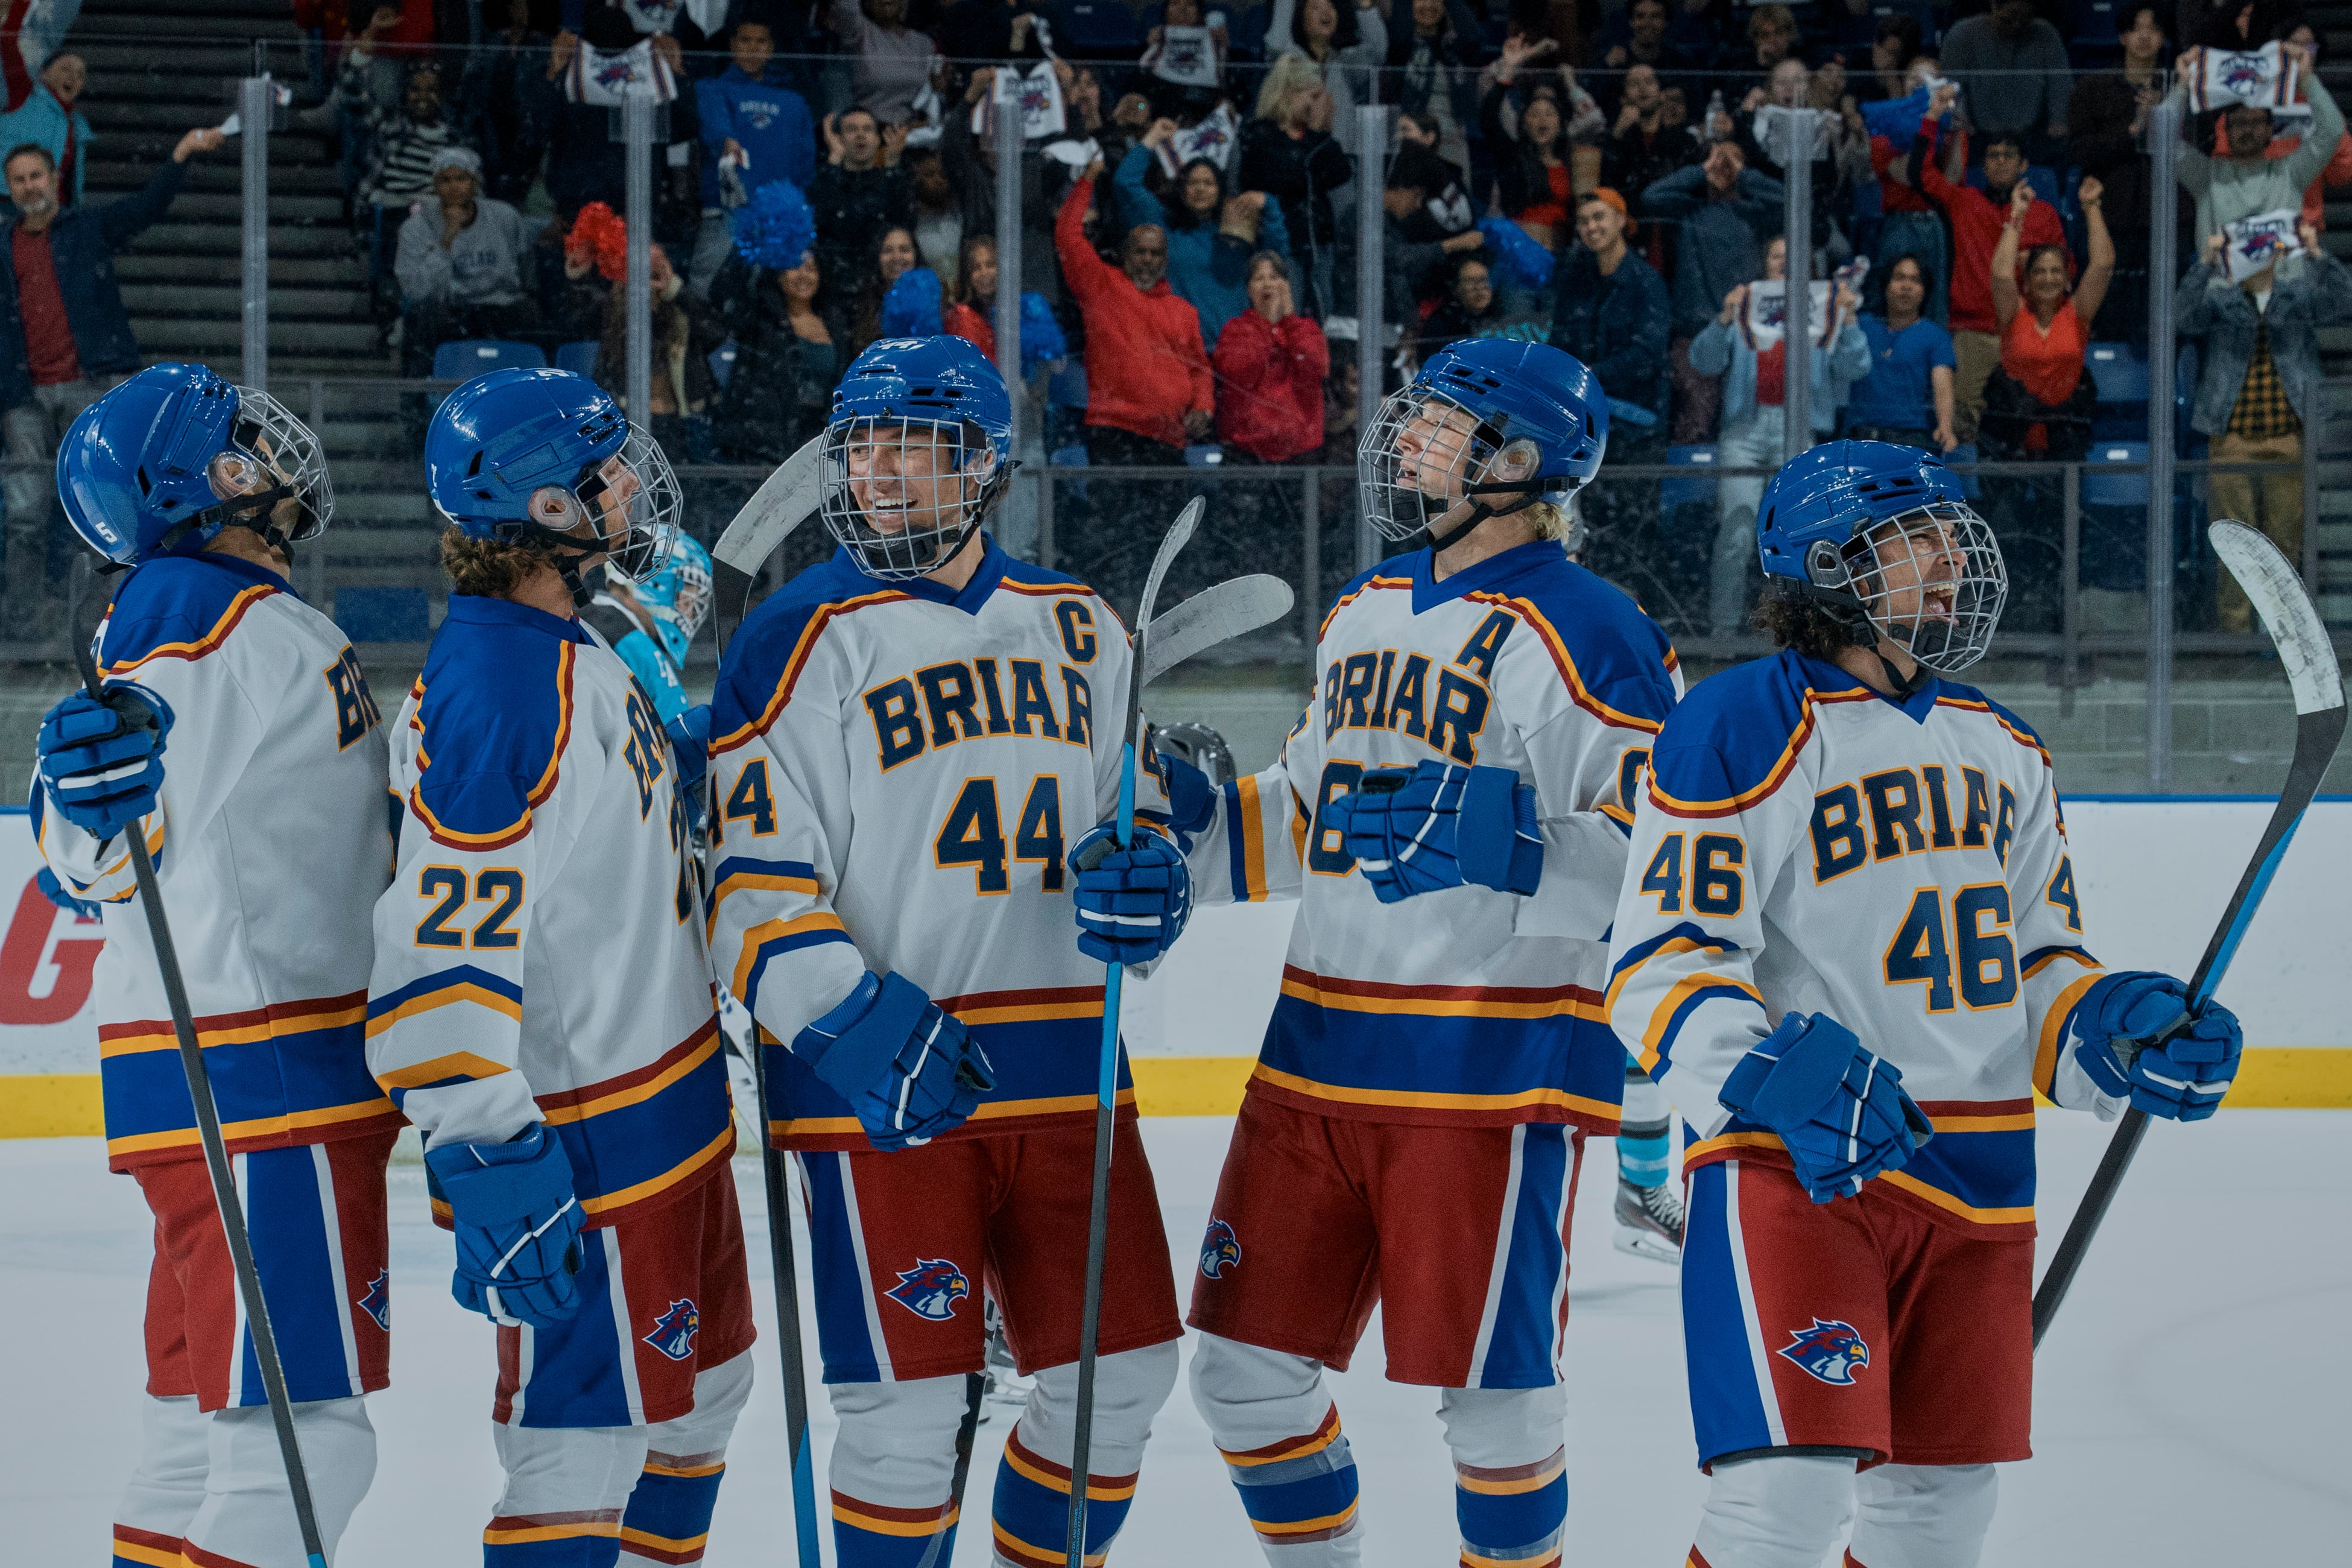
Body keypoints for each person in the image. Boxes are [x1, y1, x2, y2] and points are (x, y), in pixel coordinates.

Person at [1607, 438, 2243, 1568]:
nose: (1955, 559)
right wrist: (1756, 1076)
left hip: (1978, 1179)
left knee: (1940, 1519)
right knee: (1782, 1510)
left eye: (1954, 535)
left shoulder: (2004, 747)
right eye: (1920, 540)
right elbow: (1662, 957)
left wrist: (2112, 1030)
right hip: (1802, 1171)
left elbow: (2039, 968)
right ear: (1827, 561)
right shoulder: (1741, 722)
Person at [1180, 337, 1681, 1567]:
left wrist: (1506, 841)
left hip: (1486, 1075)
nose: (1406, 439)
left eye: (1440, 424)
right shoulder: (1365, 608)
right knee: (1241, 1373)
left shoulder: (1597, 632)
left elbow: (1667, 866)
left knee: (1495, 1402)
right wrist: (1177, 837)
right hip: (1311, 1064)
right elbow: (1305, 815)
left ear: (1518, 460)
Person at [704, 334, 1190, 1568]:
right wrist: (844, 1014)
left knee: (1123, 1379)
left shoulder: (1080, 625)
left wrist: (1148, 881)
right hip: (880, 1074)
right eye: (863, 448)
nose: (880, 476)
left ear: (981, 466)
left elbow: (1118, 818)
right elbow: (750, 883)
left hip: (1072, 1071)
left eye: (914, 451)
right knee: (903, 1417)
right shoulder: (794, 635)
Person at [371, 366, 754, 1568]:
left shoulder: (568, 644)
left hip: (671, 1113)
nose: (632, 483)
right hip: (586, 1136)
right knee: (577, 1449)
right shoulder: (498, 688)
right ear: (543, 511)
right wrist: (483, 1141)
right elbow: (442, 945)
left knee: (699, 1402)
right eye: (604, 471)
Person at [36, 364, 391, 1568]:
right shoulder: (196, 604)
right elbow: (97, 828)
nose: (269, 447)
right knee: (310, 1446)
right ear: (198, 481)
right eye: (238, 439)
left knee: (197, 1437)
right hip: (264, 1081)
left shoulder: (232, 607)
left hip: (224, 1084)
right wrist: (79, 813)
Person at [0, 124, 223, 639]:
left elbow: (147, 206)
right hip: (24, 399)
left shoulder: (87, 229)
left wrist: (180, 153)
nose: (30, 186)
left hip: (93, 391)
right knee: (27, 517)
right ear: (9, 188)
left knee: (105, 512)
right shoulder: (1, 247)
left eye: (37, 175)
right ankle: (25, 635)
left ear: (55, 179)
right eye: (19, 179)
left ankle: (107, 626)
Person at [1688, 237, 1870, 634]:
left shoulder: (1824, 311)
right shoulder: (1747, 309)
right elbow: (1703, 361)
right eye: (1775, 256)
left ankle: (1797, 633)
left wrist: (1849, 320)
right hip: (1745, 432)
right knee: (1737, 531)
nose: (1784, 265)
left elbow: (1856, 368)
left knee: (1800, 536)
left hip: (1799, 431)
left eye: (1794, 258)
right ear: (1764, 265)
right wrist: (1725, 317)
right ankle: (1723, 633)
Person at [2178, 218, 2352, 633]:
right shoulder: (2221, 302)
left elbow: (2344, 301)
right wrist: (2204, 263)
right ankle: (2234, 633)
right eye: (2246, 249)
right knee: (2234, 545)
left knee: (2286, 545)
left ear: (2277, 252)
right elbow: (2182, 317)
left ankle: (2282, 637)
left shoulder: (2298, 297)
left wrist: (2317, 255)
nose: (2255, 257)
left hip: (2289, 436)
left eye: (2262, 248)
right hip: (2231, 437)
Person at [1908, 82, 2069, 443]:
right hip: (1973, 333)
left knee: (2031, 426)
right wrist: (1933, 116)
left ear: (2024, 164)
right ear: (1984, 163)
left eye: (2009, 155)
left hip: (2026, 333)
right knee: (1963, 426)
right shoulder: (1965, 202)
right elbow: (1919, 175)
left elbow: (2065, 274)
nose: (2000, 161)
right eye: (1993, 155)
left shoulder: (2042, 215)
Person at [1057, 159, 1215, 463]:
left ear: (1165, 260)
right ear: (1125, 255)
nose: (1146, 259)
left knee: (1172, 513)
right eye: (1140, 251)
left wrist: (1203, 408)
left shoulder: (1184, 312)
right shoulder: (1101, 286)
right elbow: (1067, 235)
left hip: (1169, 437)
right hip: (1114, 433)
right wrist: (1087, 180)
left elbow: (1200, 370)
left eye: (1155, 253)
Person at [1641, 139, 1785, 445]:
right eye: (1716, 159)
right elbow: (1650, 197)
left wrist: (1743, 174)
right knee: (1696, 425)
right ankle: (1694, 493)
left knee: (1744, 426)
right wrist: (1700, 170)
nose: (1723, 165)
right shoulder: (1687, 211)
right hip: (1695, 332)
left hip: (1748, 336)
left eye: (1733, 158)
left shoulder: (1755, 212)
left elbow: (1793, 202)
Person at [1114, 125, 1295, 354]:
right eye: (1192, 183)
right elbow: (1125, 182)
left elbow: (1276, 254)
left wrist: (1268, 204)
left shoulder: (1238, 230)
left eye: (1209, 183)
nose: (1200, 189)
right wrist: (1152, 138)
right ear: (1181, 189)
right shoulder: (1164, 225)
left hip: (1234, 351)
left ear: (1220, 190)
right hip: (1181, 351)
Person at [1981, 177, 2116, 464]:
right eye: (2040, 272)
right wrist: (2016, 214)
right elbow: (2001, 275)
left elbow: (2103, 264)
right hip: (2010, 437)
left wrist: (2091, 207)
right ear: (2028, 281)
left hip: (2064, 437)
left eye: (2056, 271)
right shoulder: (2013, 313)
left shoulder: (2078, 313)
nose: (2048, 278)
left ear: (2068, 281)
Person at [2169, 39, 2342, 252]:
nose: (2248, 129)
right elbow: (2164, 143)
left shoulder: (2291, 172)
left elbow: (2333, 130)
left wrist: (2306, 78)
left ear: (2271, 130)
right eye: (2240, 123)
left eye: (2256, 122)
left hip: (2283, 284)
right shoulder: (2206, 178)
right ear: (2226, 130)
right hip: (2222, 284)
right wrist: (2182, 85)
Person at [691, 14, 818, 299]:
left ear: (771, 48)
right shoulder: (713, 89)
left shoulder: (794, 102)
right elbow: (716, 128)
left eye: (761, 41)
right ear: (733, 45)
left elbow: (804, 162)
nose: (753, 48)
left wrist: (792, 208)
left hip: (778, 220)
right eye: (746, 40)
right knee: (706, 295)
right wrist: (726, 141)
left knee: (773, 300)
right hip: (726, 215)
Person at [394, 147, 542, 379]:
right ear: (435, 185)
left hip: (501, 309)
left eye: (461, 179)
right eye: (446, 180)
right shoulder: (416, 228)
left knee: (535, 316)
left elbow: (526, 269)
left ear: (474, 183)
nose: (454, 187)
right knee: (420, 322)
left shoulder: (505, 217)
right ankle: (415, 408)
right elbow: (416, 290)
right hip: (450, 312)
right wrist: (446, 241)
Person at [709, 243, 846, 463]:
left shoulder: (835, 323)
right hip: (765, 445)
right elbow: (723, 293)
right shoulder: (760, 320)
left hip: (820, 442)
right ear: (778, 275)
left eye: (811, 269)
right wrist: (747, 244)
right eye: (794, 267)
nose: (804, 275)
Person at [1242, 54, 1354, 319]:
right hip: (1280, 243)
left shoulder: (1314, 137)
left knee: (1322, 314)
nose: (1318, 105)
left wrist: (1322, 133)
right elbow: (1287, 181)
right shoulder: (1261, 135)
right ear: (1289, 93)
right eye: (1313, 97)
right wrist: (1315, 136)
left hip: (1319, 242)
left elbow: (1340, 173)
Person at [1213, 251, 1329, 463]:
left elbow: (1315, 369)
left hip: (1300, 451)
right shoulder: (1235, 330)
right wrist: (1268, 326)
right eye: (1259, 278)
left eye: (1275, 277)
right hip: (1246, 451)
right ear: (1248, 289)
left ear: (1287, 285)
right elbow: (1239, 374)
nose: (1268, 284)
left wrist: (1289, 320)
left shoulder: (1306, 329)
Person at [1845, 254, 1958, 454]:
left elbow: (1943, 385)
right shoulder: (1862, 325)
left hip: (1910, 440)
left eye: (1915, 280)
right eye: (1899, 278)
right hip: (1859, 439)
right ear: (1886, 285)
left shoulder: (1936, 336)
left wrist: (1945, 426)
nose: (1906, 286)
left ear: (1925, 291)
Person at [1940, 0, 2071, 159]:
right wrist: (1960, 119)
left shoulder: (2046, 34)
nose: (2016, 25)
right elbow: (1952, 87)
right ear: (1994, 6)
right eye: (2009, 18)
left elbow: (2060, 85)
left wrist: (2058, 120)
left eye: (2023, 19)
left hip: (2031, 135)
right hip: (1979, 134)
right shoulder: (1962, 34)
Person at [808, 107, 915, 301]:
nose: (860, 135)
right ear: (838, 139)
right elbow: (819, 223)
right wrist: (835, 160)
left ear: (877, 140)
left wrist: (892, 164)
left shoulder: (891, 181)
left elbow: (905, 225)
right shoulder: (825, 181)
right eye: (851, 129)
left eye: (867, 129)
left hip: (883, 292)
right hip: (834, 293)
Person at [1269, 0, 1391, 165]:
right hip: (1293, 157)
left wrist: (1365, 8)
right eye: (1316, 7)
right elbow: (1277, 39)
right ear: (1302, 19)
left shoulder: (1347, 61)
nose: (1326, 12)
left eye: (1331, 7)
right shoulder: (1288, 60)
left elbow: (1377, 53)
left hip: (1339, 162)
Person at [0, 49, 93, 206]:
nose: (73, 78)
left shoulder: (77, 124)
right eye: (66, 69)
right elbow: (9, 48)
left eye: (80, 75)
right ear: (44, 72)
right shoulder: (22, 98)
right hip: (10, 203)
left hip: (52, 212)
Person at [826, 0, 941, 127]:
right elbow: (845, 7)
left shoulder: (923, 44)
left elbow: (932, 94)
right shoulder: (859, 32)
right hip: (866, 131)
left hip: (911, 133)